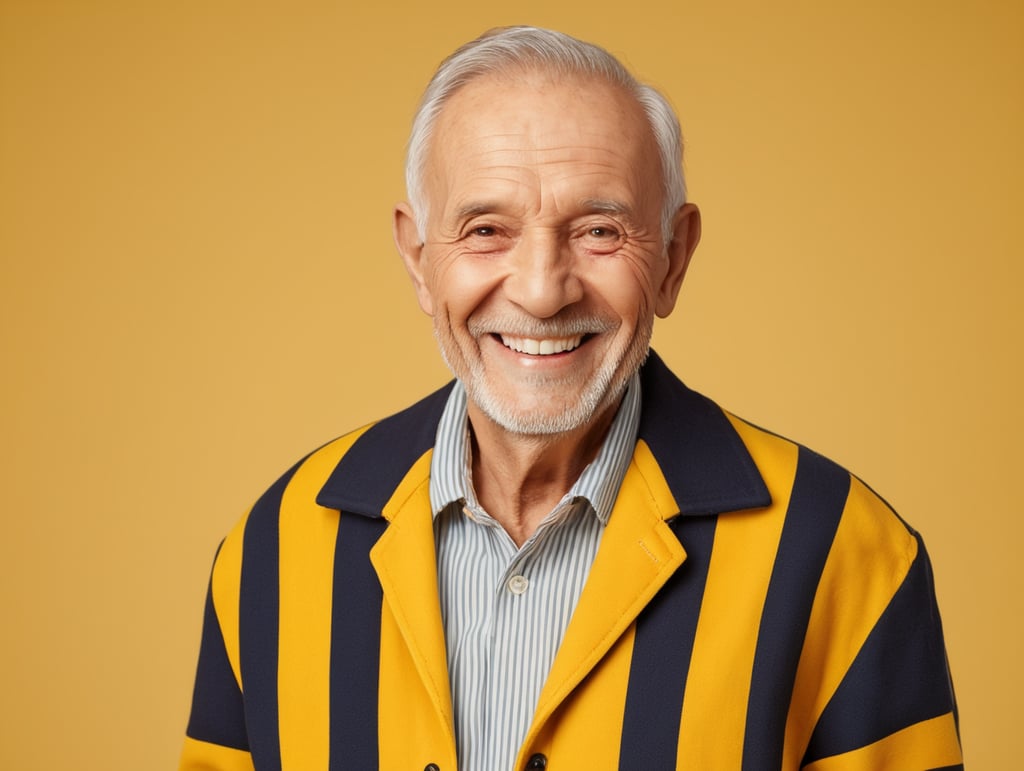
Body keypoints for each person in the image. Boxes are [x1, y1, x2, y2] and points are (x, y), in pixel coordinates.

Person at [180, 26, 962, 771]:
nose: (541, 290)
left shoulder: (847, 555)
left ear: (673, 258)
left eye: (599, 231)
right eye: (486, 229)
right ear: (419, 259)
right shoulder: (275, 549)